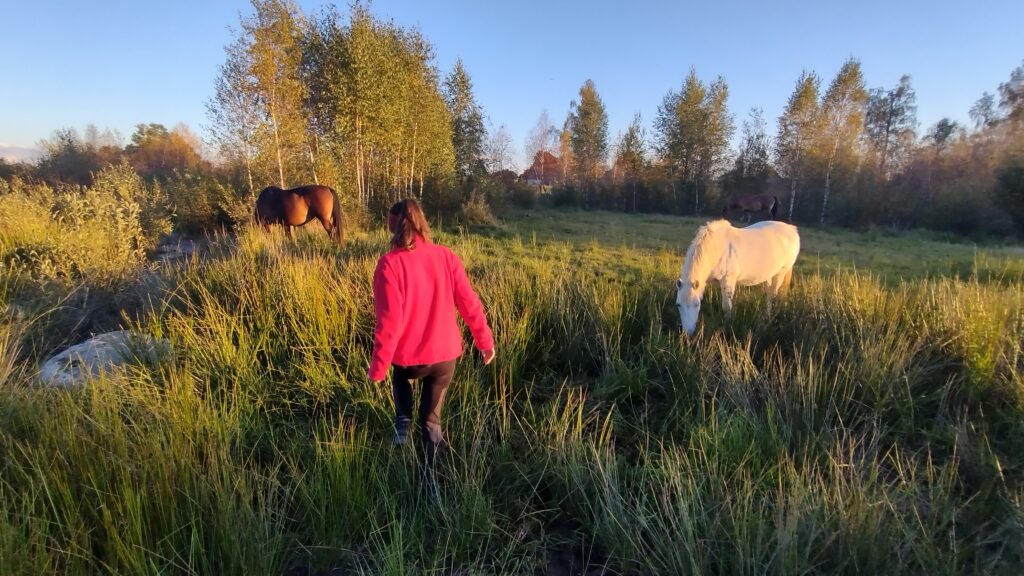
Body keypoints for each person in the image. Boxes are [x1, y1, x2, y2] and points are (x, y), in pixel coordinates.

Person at [368, 198, 495, 466]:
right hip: (445, 359)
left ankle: (403, 419)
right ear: (422, 224)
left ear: (393, 229)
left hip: (409, 361)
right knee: (431, 420)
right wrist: (484, 341)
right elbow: (469, 303)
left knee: (399, 377)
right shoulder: (446, 256)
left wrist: (378, 368)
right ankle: (431, 480)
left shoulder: (388, 264)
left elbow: (389, 322)